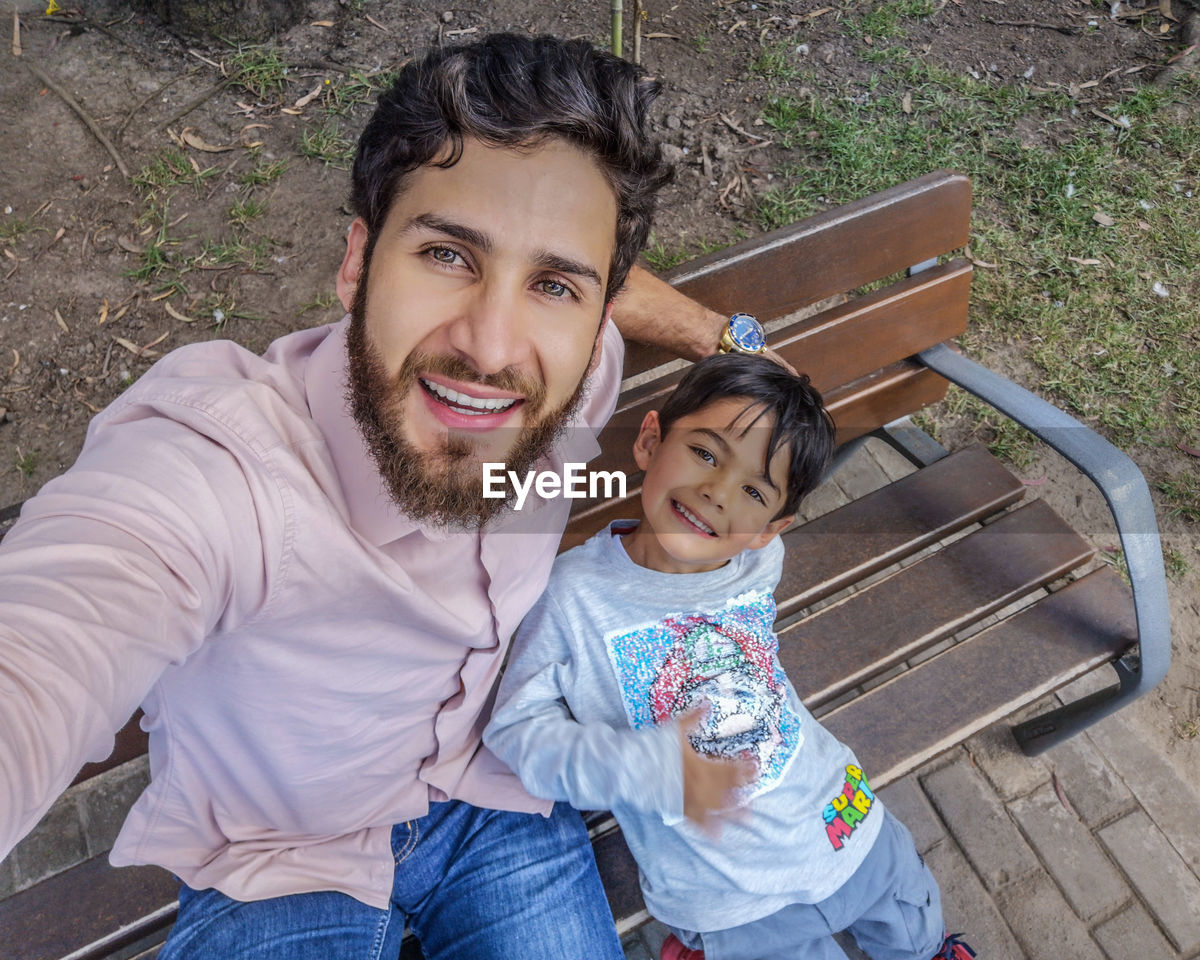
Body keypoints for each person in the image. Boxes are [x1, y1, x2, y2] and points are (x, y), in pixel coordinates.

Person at [0, 34, 738, 959]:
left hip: (494, 797)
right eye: (446, 255)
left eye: (551, 285)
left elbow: (605, 278)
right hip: (280, 858)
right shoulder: (224, 472)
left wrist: (723, 336)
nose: (492, 347)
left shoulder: (580, 377)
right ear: (358, 263)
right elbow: (58, 625)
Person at [484, 354, 978, 960]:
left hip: (842, 818)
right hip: (729, 895)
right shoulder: (570, 597)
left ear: (772, 527)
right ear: (649, 440)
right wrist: (634, 766)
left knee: (915, 929)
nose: (716, 494)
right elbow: (514, 730)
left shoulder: (755, 562)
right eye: (706, 453)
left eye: (752, 490)